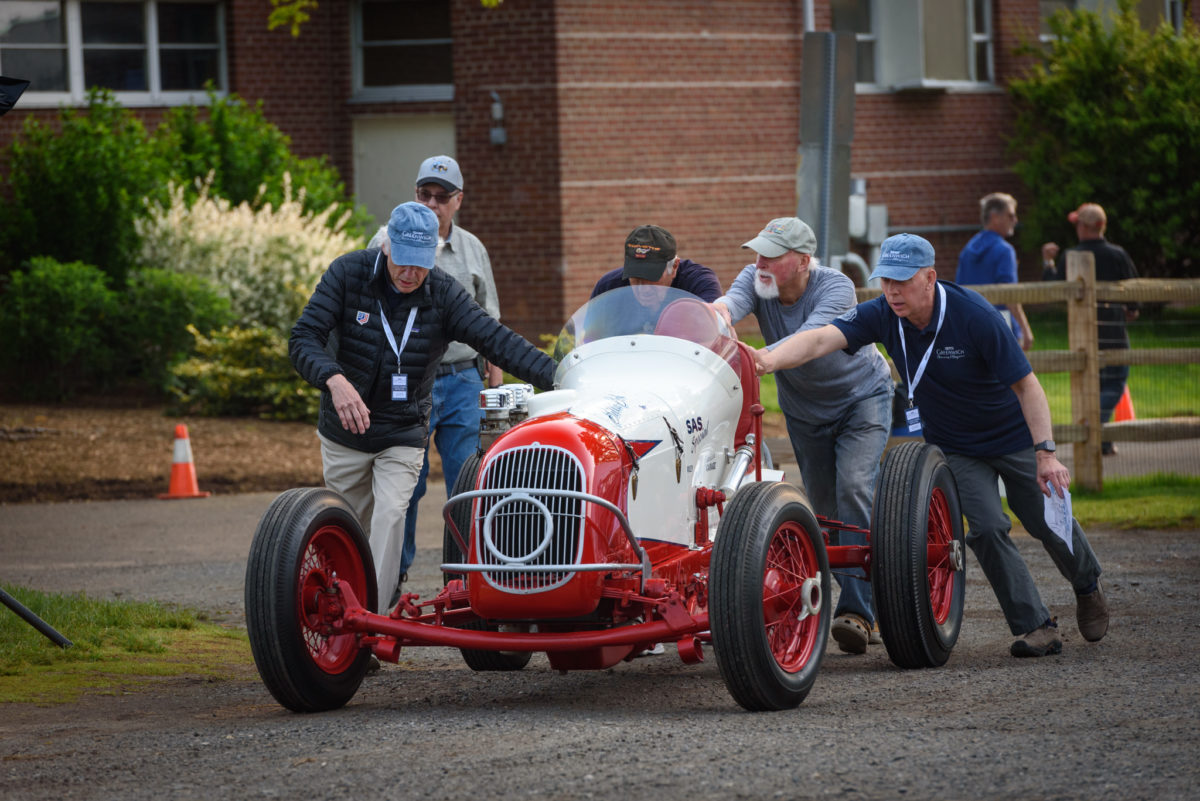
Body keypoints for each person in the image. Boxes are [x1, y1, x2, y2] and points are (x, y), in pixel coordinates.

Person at [753, 233, 1110, 658]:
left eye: (902, 281)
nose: (892, 291)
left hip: (1012, 437)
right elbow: (818, 339)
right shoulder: (883, 314)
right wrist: (767, 359)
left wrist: (1045, 453)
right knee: (987, 528)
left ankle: (1087, 584)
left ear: (929, 277)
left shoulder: (974, 315)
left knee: (1045, 517)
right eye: (885, 280)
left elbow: (1027, 385)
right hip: (956, 447)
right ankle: (1036, 624)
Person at [290, 201, 556, 615]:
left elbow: (496, 340)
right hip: (345, 432)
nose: (410, 274)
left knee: (391, 516)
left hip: (403, 431)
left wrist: (559, 377)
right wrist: (333, 379)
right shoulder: (348, 273)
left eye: (420, 263)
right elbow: (303, 337)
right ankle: (337, 613)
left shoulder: (444, 293)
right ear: (386, 246)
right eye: (402, 262)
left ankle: (369, 623)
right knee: (348, 529)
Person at [712, 217, 894, 655]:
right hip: (805, 411)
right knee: (826, 511)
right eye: (757, 253)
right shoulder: (757, 279)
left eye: (772, 256)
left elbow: (811, 339)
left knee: (853, 487)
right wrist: (714, 318)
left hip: (860, 399)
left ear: (803, 261)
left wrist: (765, 358)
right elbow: (729, 303)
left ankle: (856, 611)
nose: (760, 263)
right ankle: (865, 601)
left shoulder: (836, 288)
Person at [368, 155, 504, 598]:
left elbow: (489, 317)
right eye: (424, 194)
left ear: (458, 201)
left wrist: (494, 376)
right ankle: (391, 580)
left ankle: (468, 581)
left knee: (469, 482)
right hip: (409, 380)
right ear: (414, 194)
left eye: (441, 197)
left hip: (464, 379)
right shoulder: (384, 240)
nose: (431, 203)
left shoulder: (473, 249)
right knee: (404, 485)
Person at [1041, 202, 1139, 455]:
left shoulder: (1071, 256)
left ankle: (1093, 434)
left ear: (1085, 227)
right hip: (1114, 332)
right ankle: (1100, 437)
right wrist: (1130, 309)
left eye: (1077, 224)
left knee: (1092, 387)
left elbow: (1053, 289)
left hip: (1082, 335)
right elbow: (1134, 296)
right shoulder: (1118, 255)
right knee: (1114, 383)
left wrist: (1048, 263)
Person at [956, 192, 1034, 351]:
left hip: (971, 325)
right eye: (1010, 215)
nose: (1015, 220)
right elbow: (1009, 294)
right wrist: (1025, 330)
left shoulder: (968, 249)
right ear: (995, 217)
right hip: (1000, 325)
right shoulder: (1004, 250)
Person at [590, 224, 722, 302]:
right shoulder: (609, 288)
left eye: (650, 278)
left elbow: (712, 327)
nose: (643, 290)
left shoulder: (699, 283)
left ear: (674, 266)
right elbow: (590, 338)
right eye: (636, 279)